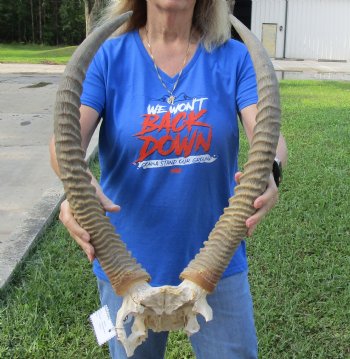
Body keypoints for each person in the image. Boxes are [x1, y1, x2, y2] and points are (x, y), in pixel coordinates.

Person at [50, 1, 287, 358]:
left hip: (217, 262)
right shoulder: (109, 57)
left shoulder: (233, 57)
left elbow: (269, 134)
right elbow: (64, 142)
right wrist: (76, 184)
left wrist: (271, 168)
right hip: (124, 265)